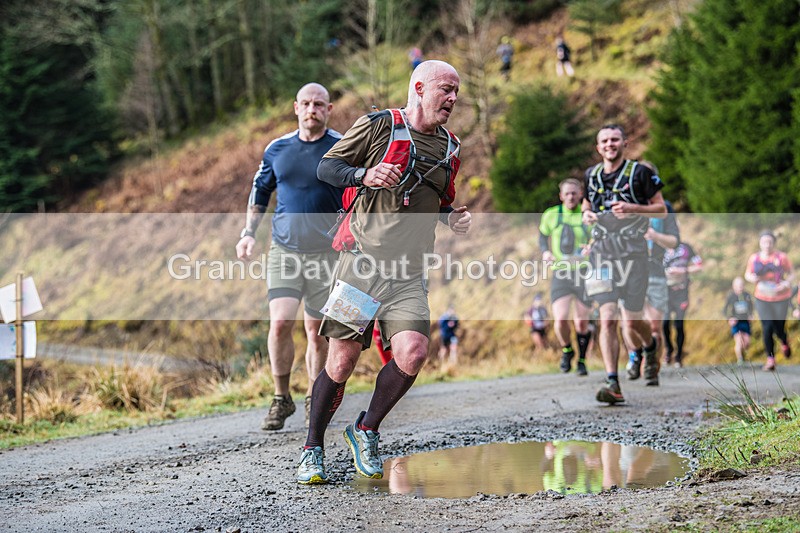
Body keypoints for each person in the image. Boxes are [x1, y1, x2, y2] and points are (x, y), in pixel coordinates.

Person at [297, 60, 471, 484]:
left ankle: (366, 429)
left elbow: (434, 200)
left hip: (408, 273)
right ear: (418, 87)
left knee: (412, 352)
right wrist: (365, 174)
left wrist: (451, 218)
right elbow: (327, 168)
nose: (451, 98)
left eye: (456, 92)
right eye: (445, 89)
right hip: (360, 265)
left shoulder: (450, 148)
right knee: (342, 360)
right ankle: (312, 448)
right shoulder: (379, 126)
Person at [235, 83, 342, 431]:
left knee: (316, 331)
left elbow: (356, 193)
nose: (312, 109)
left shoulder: (341, 148)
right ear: (296, 107)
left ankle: (315, 397)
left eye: (319, 104)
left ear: (329, 109)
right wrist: (249, 234)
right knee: (280, 323)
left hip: (327, 253)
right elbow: (260, 191)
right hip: (284, 249)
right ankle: (281, 399)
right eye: (307, 103)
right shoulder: (277, 148)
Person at [581, 124, 667, 404]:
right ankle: (613, 382)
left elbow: (661, 208)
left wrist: (633, 208)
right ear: (598, 146)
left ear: (624, 143)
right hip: (601, 254)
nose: (610, 144)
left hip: (633, 254)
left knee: (631, 320)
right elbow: (586, 203)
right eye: (604, 140)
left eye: (615, 139)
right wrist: (587, 216)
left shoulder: (640, 173)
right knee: (606, 317)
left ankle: (651, 346)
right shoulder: (591, 175)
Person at [627, 166, 679, 384]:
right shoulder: (626, 203)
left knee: (655, 326)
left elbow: (674, 242)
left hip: (655, 270)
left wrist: (655, 235)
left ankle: (651, 369)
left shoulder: (665, 208)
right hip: (629, 270)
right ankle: (635, 355)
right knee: (630, 322)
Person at [539, 178, 592, 375]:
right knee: (560, 319)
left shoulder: (587, 216)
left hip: (583, 272)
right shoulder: (551, 215)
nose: (571, 197)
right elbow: (542, 237)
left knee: (581, 322)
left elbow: (596, 238)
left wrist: (591, 248)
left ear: (580, 195)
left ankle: (583, 360)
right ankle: (567, 350)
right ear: (561, 196)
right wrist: (546, 252)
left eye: (574, 193)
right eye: (567, 193)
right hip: (561, 272)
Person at [744, 231, 794, 371]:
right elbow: (747, 274)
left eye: (769, 242)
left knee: (779, 327)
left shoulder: (781, 257)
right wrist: (751, 278)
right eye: (764, 242)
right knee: (767, 326)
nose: (767, 245)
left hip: (780, 297)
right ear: (760, 243)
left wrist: (786, 284)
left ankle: (784, 341)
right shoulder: (754, 258)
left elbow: (791, 274)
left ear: (773, 243)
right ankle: (770, 359)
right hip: (762, 297)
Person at [662, 241, 703, 367]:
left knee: (679, 325)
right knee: (664, 323)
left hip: (681, 292)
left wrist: (681, 270)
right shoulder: (660, 247)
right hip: (665, 292)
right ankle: (669, 350)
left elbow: (699, 266)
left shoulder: (686, 248)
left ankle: (679, 356)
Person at [723, 277, 754, 364]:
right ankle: (740, 359)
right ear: (734, 286)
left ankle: (742, 354)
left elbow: (751, 306)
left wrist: (751, 315)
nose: (740, 287)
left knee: (747, 342)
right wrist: (729, 318)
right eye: (738, 285)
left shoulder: (746, 295)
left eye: (742, 285)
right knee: (739, 340)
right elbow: (725, 309)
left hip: (745, 322)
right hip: (736, 322)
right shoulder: (731, 296)